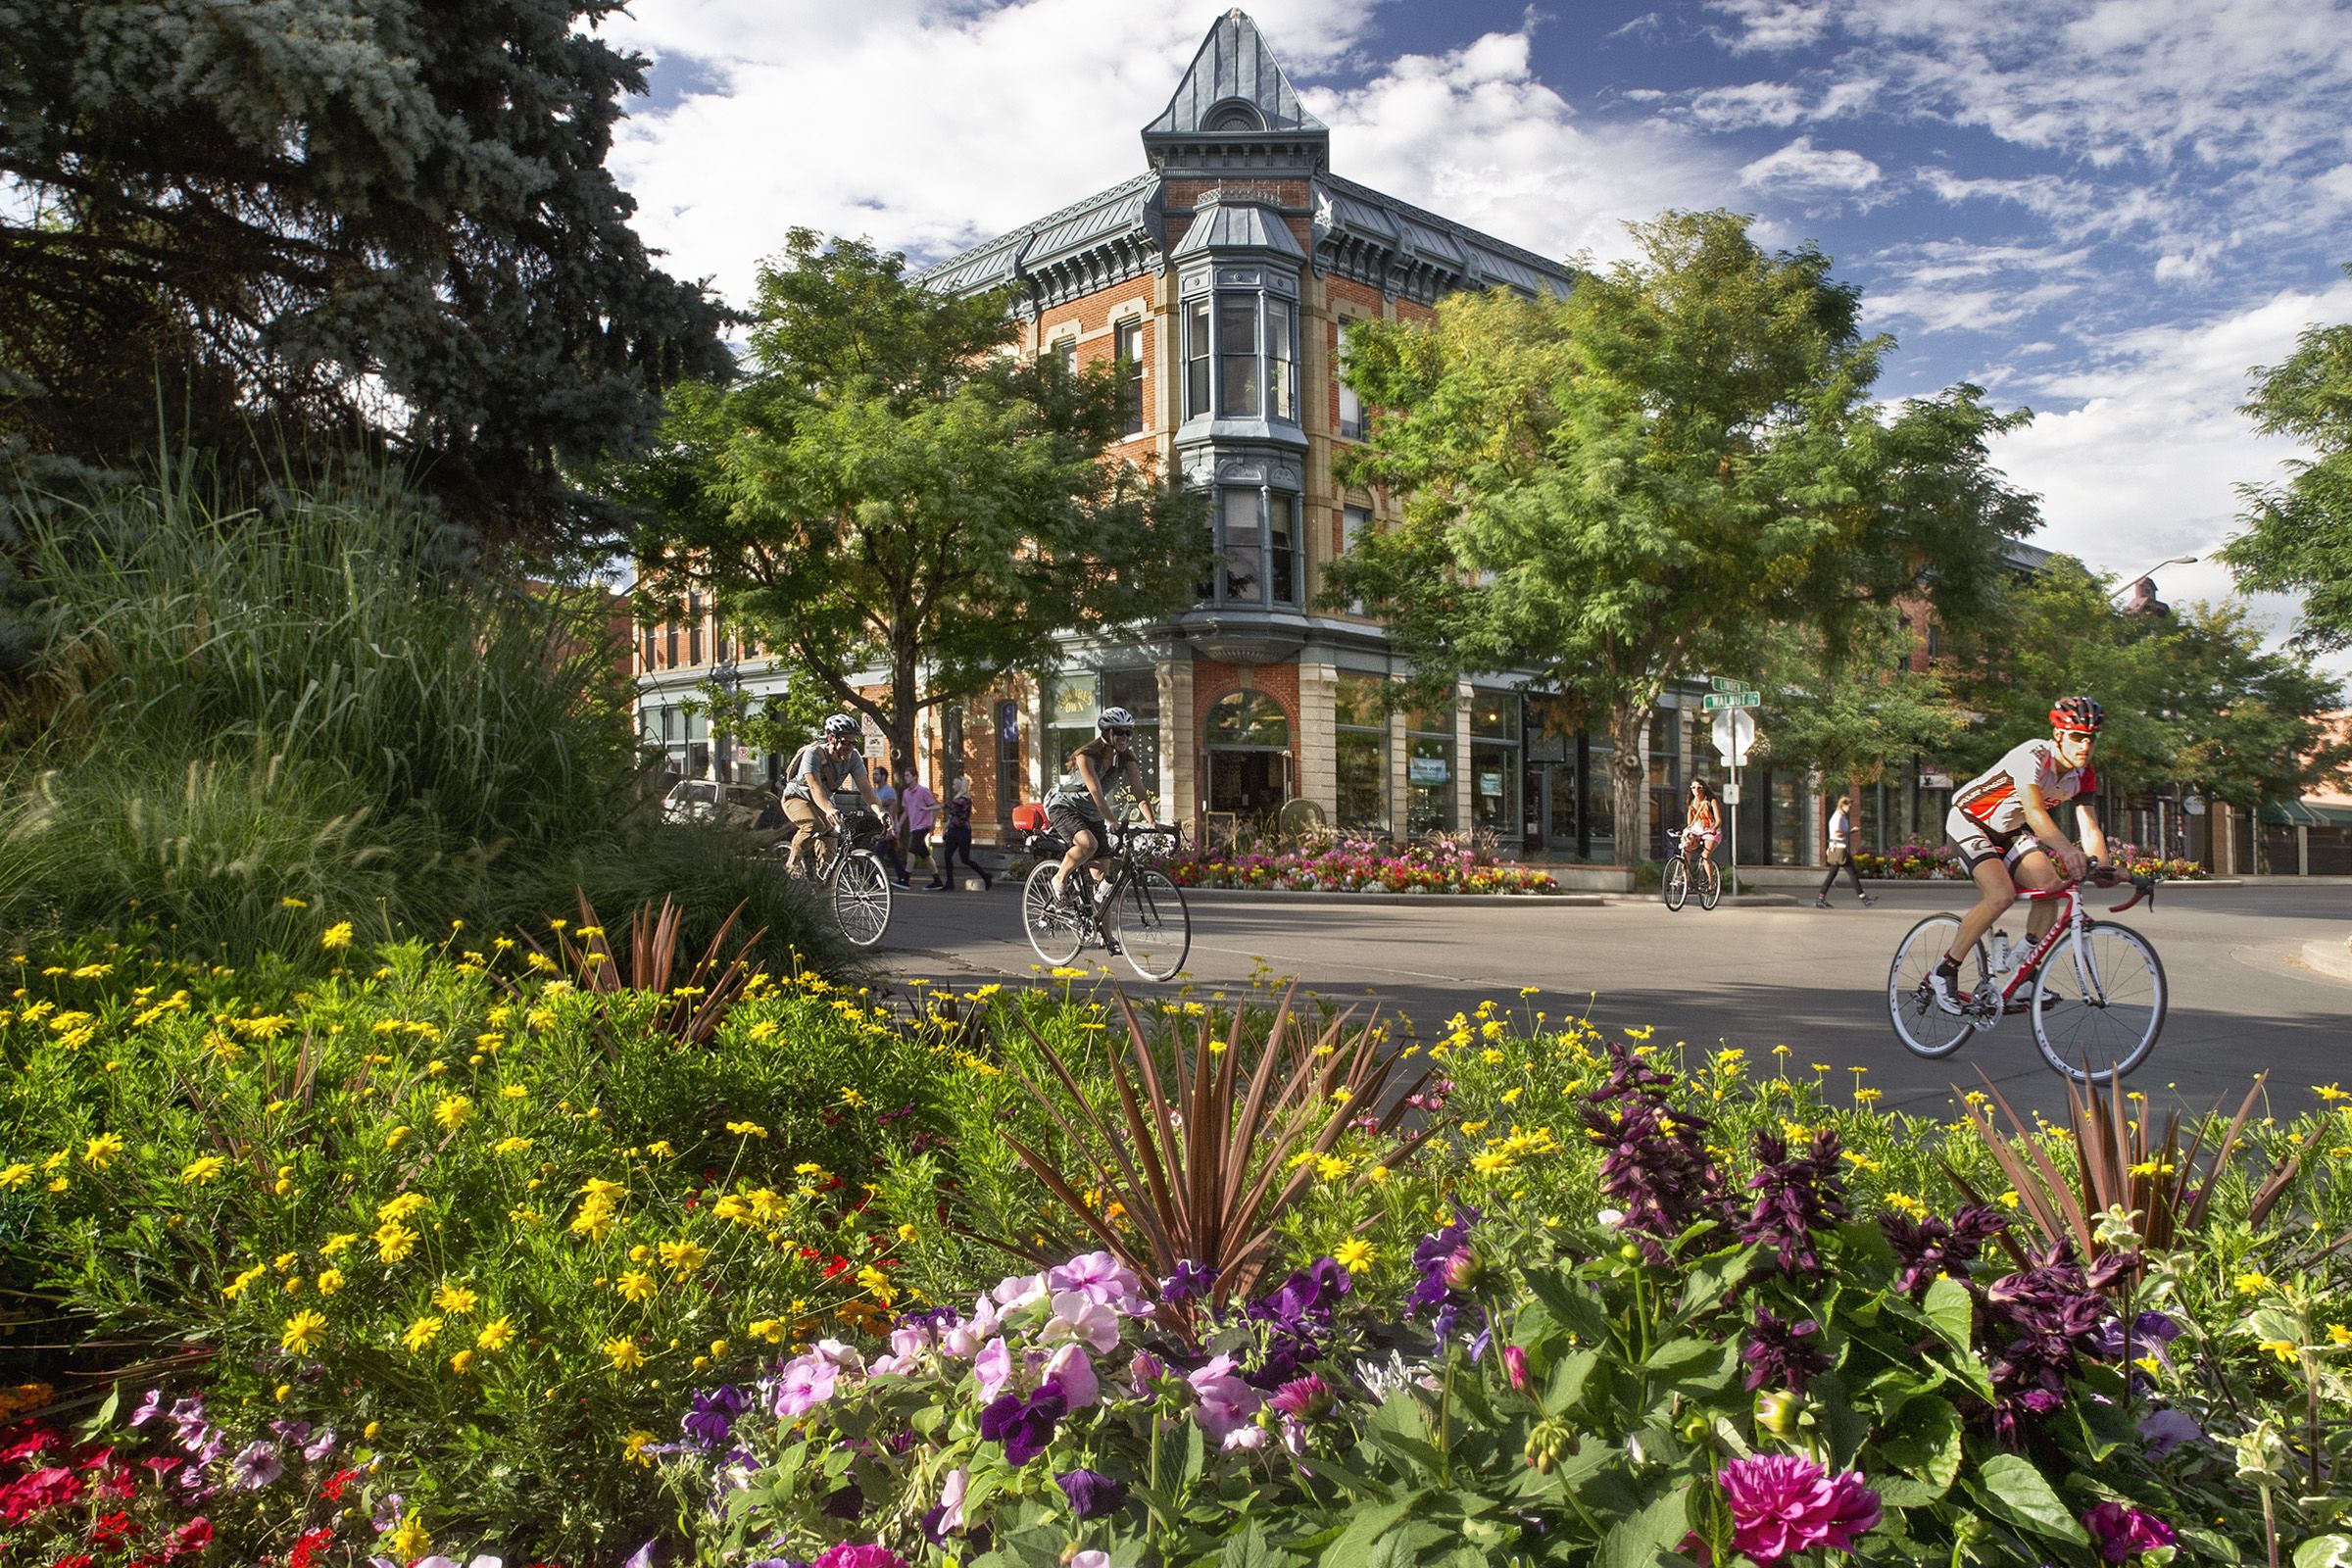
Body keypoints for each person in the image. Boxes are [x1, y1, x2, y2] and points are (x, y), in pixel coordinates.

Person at [1928, 696, 2112, 1014]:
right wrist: (2068, 851)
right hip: (1970, 820)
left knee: (2050, 888)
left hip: (2009, 831)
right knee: (2001, 896)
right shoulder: (2032, 755)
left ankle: (2023, 976)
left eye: (2090, 738)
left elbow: (2090, 828)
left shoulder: (2085, 774)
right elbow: (2035, 812)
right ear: (2059, 736)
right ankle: (1944, 971)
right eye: (2077, 737)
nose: (2085, 745)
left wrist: (2106, 869)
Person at [1046, 707, 1160, 944]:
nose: (1124, 738)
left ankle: (1106, 936)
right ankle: (1059, 879)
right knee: (1088, 843)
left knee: (1103, 882)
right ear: (1106, 732)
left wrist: (1152, 821)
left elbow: (1138, 790)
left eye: (1129, 733)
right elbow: (1095, 791)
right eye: (1119, 732)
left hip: (1092, 813)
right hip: (1064, 806)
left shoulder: (1126, 758)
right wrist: (1110, 820)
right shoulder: (1086, 755)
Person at [779, 714, 886, 879]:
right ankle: (792, 861)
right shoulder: (813, 754)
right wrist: (829, 809)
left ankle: (824, 885)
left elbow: (866, 790)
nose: (850, 747)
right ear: (831, 738)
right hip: (797, 797)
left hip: (823, 802)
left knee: (831, 839)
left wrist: (880, 813)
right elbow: (815, 787)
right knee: (814, 824)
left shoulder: (854, 757)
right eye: (845, 742)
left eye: (853, 743)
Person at [1815, 795, 1875, 908]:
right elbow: (1837, 833)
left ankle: (1820, 899)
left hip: (1837, 849)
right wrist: (1851, 831)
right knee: (1852, 873)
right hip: (1839, 849)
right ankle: (1865, 899)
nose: (1850, 809)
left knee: (1832, 875)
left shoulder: (1841, 816)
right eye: (1849, 806)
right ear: (1843, 805)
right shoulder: (1838, 817)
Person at [932, 776, 991, 891]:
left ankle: (985, 876)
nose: (953, 786)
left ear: (960, 786)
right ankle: (950, 883)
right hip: (954, 832)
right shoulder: (957, 799)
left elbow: (948, 806)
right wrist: (946, 828)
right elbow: (951, 815)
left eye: (955, 784)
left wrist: (928, 808)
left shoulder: (964, 800)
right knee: (947, 855)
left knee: (965, 859)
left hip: (963, 832)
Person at [870, 763, 913, 888]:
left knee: (876, 855)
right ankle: (902, 876)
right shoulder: (873, 791)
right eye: (873, 774)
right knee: (892, 855)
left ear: (884, 776)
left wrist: (891, 828)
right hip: (877, 827)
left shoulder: (889, 791)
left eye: (876, 774)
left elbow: (893, 810)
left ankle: (875, 880)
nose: (874, 777)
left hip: (886, 828)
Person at [900, 768, 938, 877]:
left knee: (911, 851)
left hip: (923, 826)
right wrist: (899, 825)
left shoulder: (923, 791)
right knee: (925, 855)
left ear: (915, 777)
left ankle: (906, 879)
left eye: (908, 775)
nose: (905, 778)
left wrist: (933, 823)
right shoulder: (906, 793)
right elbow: (905, 812)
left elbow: (933, 806)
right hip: (914, 826)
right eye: (905, 775)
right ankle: (937, 879)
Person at [1681, 779, 1723, 865]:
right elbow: (1690, 822)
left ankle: (1711, 879)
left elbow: (1718, 820)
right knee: (1686, 847)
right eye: (1693, 787)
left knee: (1705, 856)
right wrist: (1689, 830)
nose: (1696, 790)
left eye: (1699, 787)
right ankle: (1685, 873)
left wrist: (1714, 829)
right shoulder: (1692, 802)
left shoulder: (1711, 801)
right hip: (1697, 830)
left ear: (1704, 789)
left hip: (1709, 830)